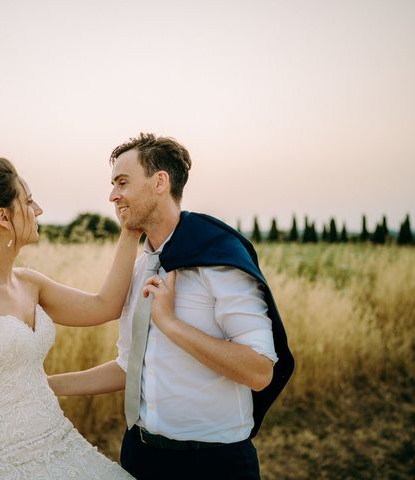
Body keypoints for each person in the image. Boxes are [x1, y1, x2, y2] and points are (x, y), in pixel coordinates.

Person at [49, 133, 294, 480]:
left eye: (122, 182)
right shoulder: (139, 267)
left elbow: (259, 372)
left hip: (213, 465)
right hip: (141, 455)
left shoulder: (219, 262)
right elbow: (130, 366)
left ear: (159, 182)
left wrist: (171, 324)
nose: (112, 195)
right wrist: (45, 385)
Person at [0, 157, 137, 479]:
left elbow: (104, 306)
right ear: (3, 217)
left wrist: (130, 233)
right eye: (29, 201)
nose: (39, 210)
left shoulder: (29, 283)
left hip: (54, 441)